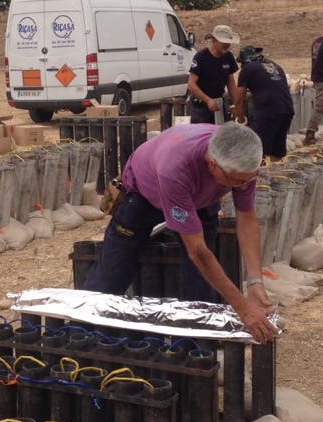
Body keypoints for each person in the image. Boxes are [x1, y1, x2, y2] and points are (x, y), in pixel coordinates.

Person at [83, 122, 277, 343]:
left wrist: (255, 282)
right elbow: (198, 252)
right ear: (213, 165)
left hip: (200, 198)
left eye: (248, 179)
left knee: (200, 287)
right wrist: (243, 308)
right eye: (238, 181)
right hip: (144, 196)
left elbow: (247, 219)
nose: (244, 185)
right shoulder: (175, 167)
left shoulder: (239, 164)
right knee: (111, 276)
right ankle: (82, 335)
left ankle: (196, 349)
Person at [233, 45, 295, 161]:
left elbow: (239, 99)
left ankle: (258, 178)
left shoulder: (247, 69)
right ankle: (275, 175)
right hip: (287, 110)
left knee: (256, 149)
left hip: (269, 111)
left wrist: (241, 120)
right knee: (277, 150)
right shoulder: (276, 66)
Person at [186, 25, 241, 124]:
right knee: (202, 135)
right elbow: (191, 84)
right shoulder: (201, 57)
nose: (227, 45)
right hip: (200, 104)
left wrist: (235, 105)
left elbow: (231, 82)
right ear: (214, 40)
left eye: (228, 43)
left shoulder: (228, 56)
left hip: (218, 103)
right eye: (224, 42)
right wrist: (207, 100)